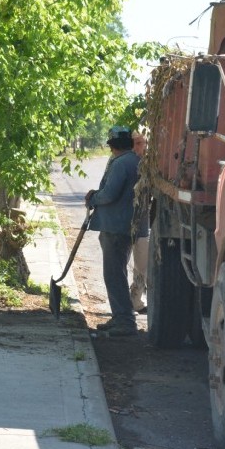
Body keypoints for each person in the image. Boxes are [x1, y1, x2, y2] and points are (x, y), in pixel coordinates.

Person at [85, 125, 141, 337]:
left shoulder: (120, 164)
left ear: (113, 145)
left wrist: (93, 198)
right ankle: (120, 317)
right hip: (124, 226)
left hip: (115, 227)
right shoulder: (134, 161)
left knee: (114, 274)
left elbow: (110, 194)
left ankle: (125, 321)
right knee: (118, 272)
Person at [130, 131, 149, 313]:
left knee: (141, 265)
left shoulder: (148, 166)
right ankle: (127, 303)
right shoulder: (124, 164)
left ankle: (136, 300)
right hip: (124, 224)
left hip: (142, 224)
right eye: (134, 143)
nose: (136, 148)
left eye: (140, 143)